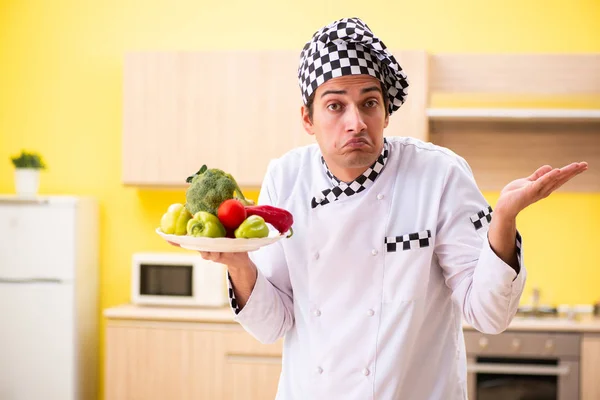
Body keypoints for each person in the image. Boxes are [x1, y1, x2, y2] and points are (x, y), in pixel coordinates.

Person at [199, 17, 588, 399]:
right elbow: (272, 325)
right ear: (308, 118)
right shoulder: (286, 178)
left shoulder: (439, 174)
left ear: (386, 112)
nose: (356, 122)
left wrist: (503, 219)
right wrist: (238, 263)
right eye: (335, 106)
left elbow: (489, 315)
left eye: (369, 103)